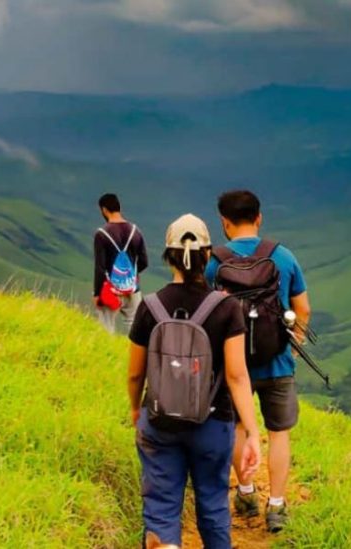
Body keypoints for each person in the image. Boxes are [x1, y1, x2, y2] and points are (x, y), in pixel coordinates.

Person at [128, 213, 262, 548]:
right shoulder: (226, 307)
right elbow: (236, 375)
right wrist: (252, 432)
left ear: (168, 255)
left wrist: (135, 409)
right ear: (207, 256)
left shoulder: (150, 307)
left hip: (158, 421)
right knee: (213, 506)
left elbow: (134, 372)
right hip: (212, 424)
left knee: (160, 510)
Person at [206, 190, 310, 533]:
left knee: (237, 427)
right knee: (278, 434)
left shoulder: (214, 262)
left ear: (224, 222)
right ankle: (277, 506)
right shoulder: (283, 257)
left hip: (233, 367)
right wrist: (291, 348)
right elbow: (303, 310)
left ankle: (246, 493)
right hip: (278, 362)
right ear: (259, 217)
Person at [94, 193, 148, 333]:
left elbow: (100, 267)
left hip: (110, 290)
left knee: (106, 329)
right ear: (119, 207)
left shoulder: (101, 234)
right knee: (135, 331)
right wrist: (129, 275)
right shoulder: (136, 231)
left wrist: (96, 293)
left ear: (104, 210)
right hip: (133, 289)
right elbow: (144, 262)